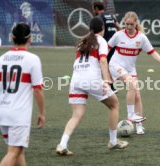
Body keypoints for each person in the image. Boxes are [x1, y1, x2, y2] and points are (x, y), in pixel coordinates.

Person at [56, 17, 128, 155]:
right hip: (91, 80)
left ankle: (62, 144)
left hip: (76, 80)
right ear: (102, 28)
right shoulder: (101, 40)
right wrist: (107, 80)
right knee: (114, 104)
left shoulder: (82, 40)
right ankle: (113, 142)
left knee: (77, 114)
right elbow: (102, 60)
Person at [108, 11, 160, 135]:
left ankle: (139, 125)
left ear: (136, 23)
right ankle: (131, 115)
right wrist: (100, 62)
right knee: (131, 84)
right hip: (116, 65)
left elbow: (152, 52)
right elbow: (107, 48)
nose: (129, 27)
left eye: (131, 24)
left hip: (130, 69)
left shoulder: (141, 38)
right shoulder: (118, 35)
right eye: (126, 24)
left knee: (137, 95)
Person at [0, 23, 45, 166]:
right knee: (14, 152)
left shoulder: (1, 59)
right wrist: (42, 113)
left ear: (12, 37)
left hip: (2, 112)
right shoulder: (32, 59)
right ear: (30, 38)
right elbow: (37, 89)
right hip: (18, 114)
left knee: (18, 151)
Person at [92, 0, 121, 92]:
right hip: (115, 44)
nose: (93, 11)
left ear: (96, 9)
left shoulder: (99, 17)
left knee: (105, 64)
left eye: (93, 9)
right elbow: (119, 28)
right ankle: (114, 82)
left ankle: (112, 86)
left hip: (106, 45)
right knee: (110, 64)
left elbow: (99, 30)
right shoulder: (111, 15)